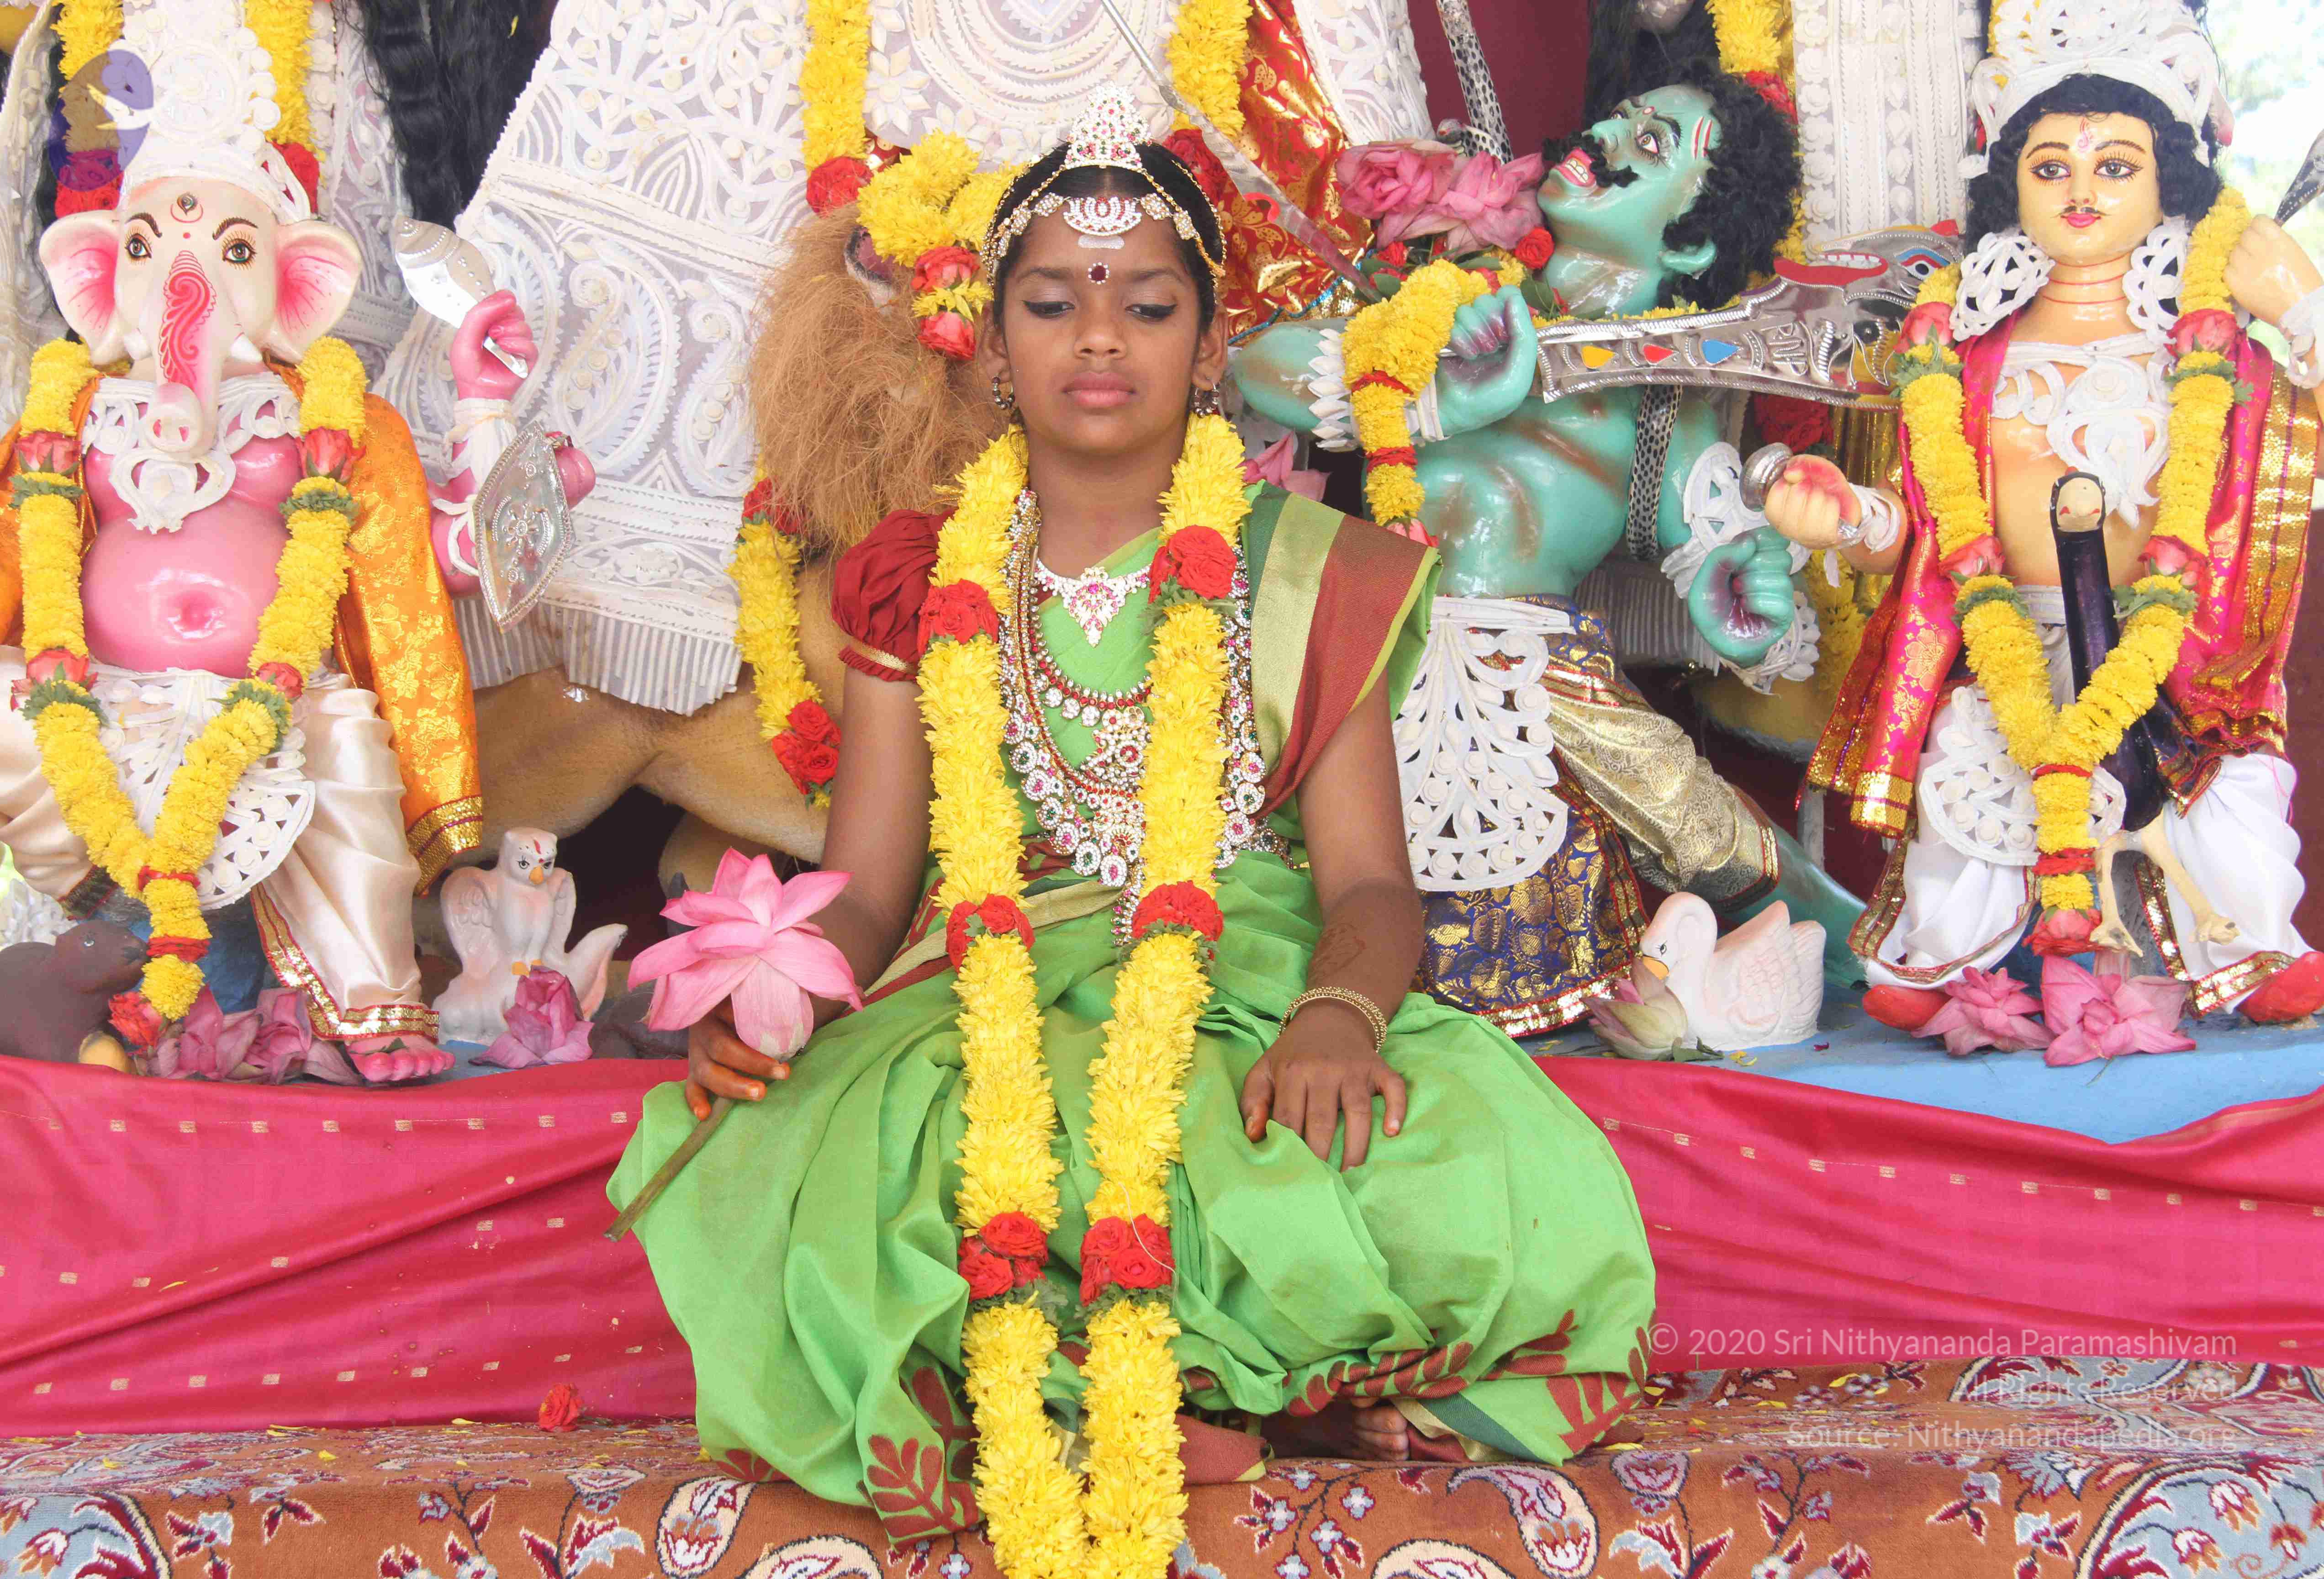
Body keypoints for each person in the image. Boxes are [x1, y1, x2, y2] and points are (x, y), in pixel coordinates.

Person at [608, 93, 1656, 1568]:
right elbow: (870, 884)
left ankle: (1190, 1393)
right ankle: (1164, 1399)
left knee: (1484, 1172)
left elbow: (1370, 883)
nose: (1098, 338)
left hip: (1245, 969)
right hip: (993, 978)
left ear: (1211, 348)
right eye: (1052, 303)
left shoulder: (1310, 570)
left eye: (1147, 306)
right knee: (855, 1180)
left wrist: (1340, 1017)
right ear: (992, 339)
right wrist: (774, 993)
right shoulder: (922, 571)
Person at [1227, 70, 1864, 1033]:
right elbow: (1255, 363)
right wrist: (1438, 395)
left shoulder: (1669, 403)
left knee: (1700, 822)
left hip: (1538, 671)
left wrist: (1746, 615)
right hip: (1363, 641)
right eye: (1622, 116)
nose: (1604, 136)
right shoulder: (1448, 289)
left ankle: (1870, 950)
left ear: (1689, 241)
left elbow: (1731, 587)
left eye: (1651, 145)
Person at [1775, 0, 2324, 1026]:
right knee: (1962, 810)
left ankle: (2251, 949)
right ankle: (1950, 968)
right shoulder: (1962, 351)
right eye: (2049, 166)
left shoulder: (2215, 348)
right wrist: (1846, 520)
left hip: (2173, 656)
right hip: (2006, 647)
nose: (2080, 190)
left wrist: (2306, 309)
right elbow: (1926, 531)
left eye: (2114, 165)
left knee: (2231, 818)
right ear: (2010, 185)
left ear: (2170, 180)